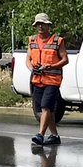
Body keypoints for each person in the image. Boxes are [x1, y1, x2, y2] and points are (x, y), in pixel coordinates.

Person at [27, 12, 68, 145]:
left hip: (52, 80)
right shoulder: (32, 40)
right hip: (37, 80)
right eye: (38, 24)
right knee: (43, 110)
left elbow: (65, 60)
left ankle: (40, 135)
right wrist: (31, 68)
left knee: (46, 107)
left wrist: (51, 66)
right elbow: (28, 59)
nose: (40, 27)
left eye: (43, 24)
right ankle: (55, 136)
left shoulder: (57, 41)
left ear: (48, 25)